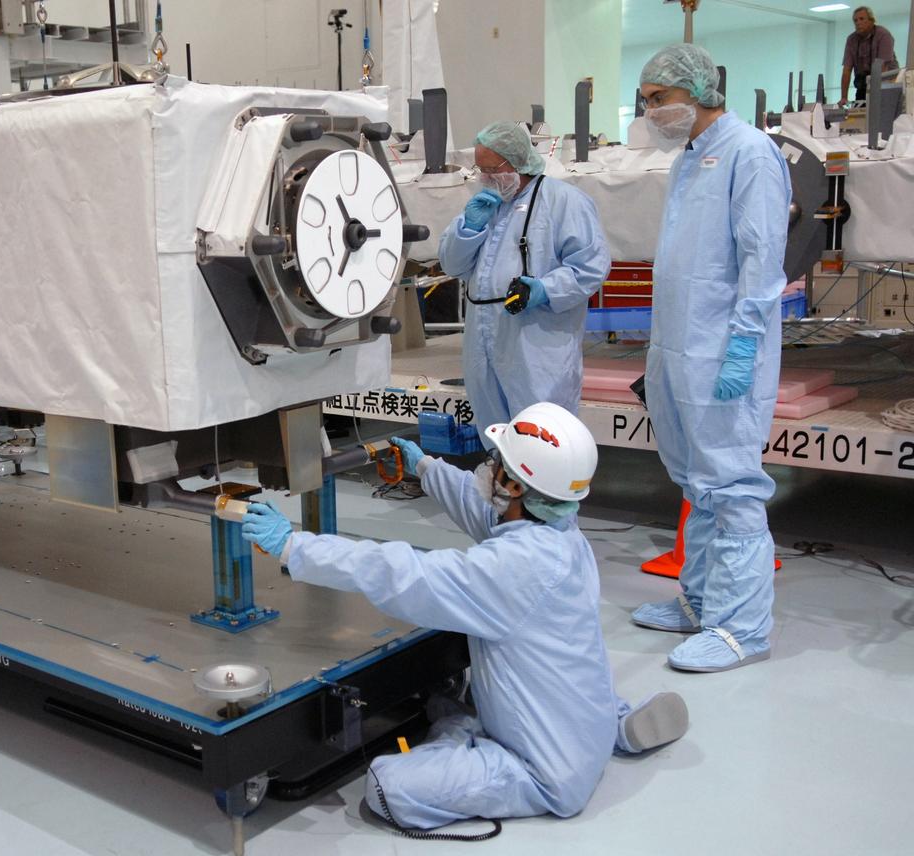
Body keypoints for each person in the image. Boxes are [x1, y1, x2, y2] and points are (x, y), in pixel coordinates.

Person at [241, 403, 689, 828]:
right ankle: (617, 728)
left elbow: (404, 573)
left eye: (497, 461)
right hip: (582, 720)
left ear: (515, 486)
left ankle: (461, 731)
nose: (488, 466)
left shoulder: (512, 570)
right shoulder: (562, 536)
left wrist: (296, 546)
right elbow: (486, 515)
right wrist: (426, 468)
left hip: (544, 773)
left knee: (386, 786)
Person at [633, 44, 790, 673]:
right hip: (680, 347)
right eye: (645, 101)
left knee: (730, 485)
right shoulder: (689, 159)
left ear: (696, 90)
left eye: (657, 99)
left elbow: (761, 259)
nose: (650, 113)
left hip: (724, 348)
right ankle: (700, 602)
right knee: (697, 483)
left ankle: (743, 627)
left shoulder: (750, 151)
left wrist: (745, 343)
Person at [438, 121, 610, 437]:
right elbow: (452, 265)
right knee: (496, 436)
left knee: (541, 440)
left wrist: (545, 289)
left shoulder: (564, 201)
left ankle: (540, 487)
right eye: (481, 170)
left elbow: (590, 267)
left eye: (493, 169)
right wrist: (469, 229)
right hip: (483, 342)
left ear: (517, 162)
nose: (487, 178)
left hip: (536, 346)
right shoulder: (486, 204)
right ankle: (502, 486)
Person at [840, 6, 899, 103]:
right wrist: (844, 97)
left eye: (862, 19)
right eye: (855, 20)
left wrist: (876, 94)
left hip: (887, 83)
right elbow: (846, 70)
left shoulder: (883, 35)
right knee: (860, 112)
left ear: (871, 20)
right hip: (864, 85)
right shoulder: (852, 40)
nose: (858, 23)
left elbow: (882, 67)